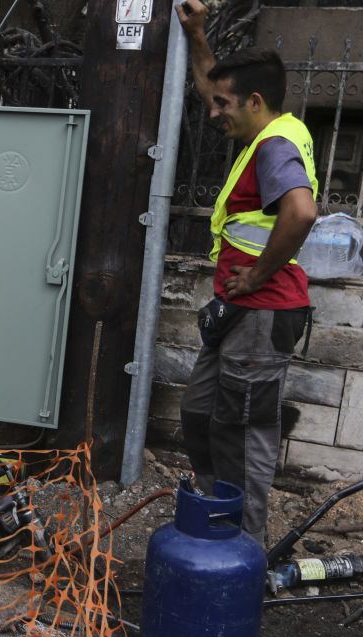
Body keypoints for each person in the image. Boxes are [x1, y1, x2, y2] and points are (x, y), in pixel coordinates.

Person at [176, 0, 317, 545]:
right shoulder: (264, 132)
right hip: (237, 312)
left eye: (226, 105)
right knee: (199, 413)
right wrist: (197, 34)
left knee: (244, 434)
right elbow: (211, 88)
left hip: (263, 309)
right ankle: (217, 514)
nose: (214, 113)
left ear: (255, 101)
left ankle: (242, 551)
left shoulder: (277, 146)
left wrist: (256, 276)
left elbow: (300, 212)